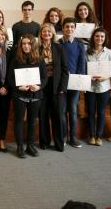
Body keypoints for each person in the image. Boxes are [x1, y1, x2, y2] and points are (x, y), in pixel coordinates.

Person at [7, 34, 47, 158]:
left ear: (33, 45)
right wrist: (19, 87)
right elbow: (10, 78)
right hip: (19, 95)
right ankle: (20, 146)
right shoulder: (16, 60)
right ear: (20, 45)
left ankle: (30, 146)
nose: (26, 46)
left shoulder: (40, 60)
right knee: (19, 121)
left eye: (28, 43)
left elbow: (44, 78)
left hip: (36, 95)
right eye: (23, 43)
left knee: (32, 121)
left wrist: (39, 86)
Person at [38, 23, 69, 152]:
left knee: (57, 115)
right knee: (43, 114)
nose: (46, 34)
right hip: (41, 86)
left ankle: (59, 143)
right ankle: (44, 142)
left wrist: (62, 87)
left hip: (57, 86)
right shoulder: (36, 48)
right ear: (41, 34)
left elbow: (65, 70)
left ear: (53, 34)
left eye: (49, 32)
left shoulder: (59, 48)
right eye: (44, 32)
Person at [85, 28, 111, 146]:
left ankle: (99, 136)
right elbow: (84, 68)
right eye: (97, 36)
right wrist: (89, 77)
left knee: (102, 112)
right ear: (93, 37)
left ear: (105, 38)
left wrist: (106, 77)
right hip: (90, 87)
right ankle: (92, 135)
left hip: (104, 87)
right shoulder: (87, 52)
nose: (99, 38)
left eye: (102, 36)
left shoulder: (110, 53)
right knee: (91, 111)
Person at [58, 17, 86, 148]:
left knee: (73, 110)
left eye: (71, 27)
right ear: (63, 28)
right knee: (62, 110)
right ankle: (63, 136)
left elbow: (82, 64)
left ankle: (72, 137)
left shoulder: (80, 45)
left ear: (75, 29)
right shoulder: (58, 44)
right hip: (61, 84)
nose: (69, 29)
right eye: (67, 27)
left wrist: (81, 81)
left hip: (75, 83)